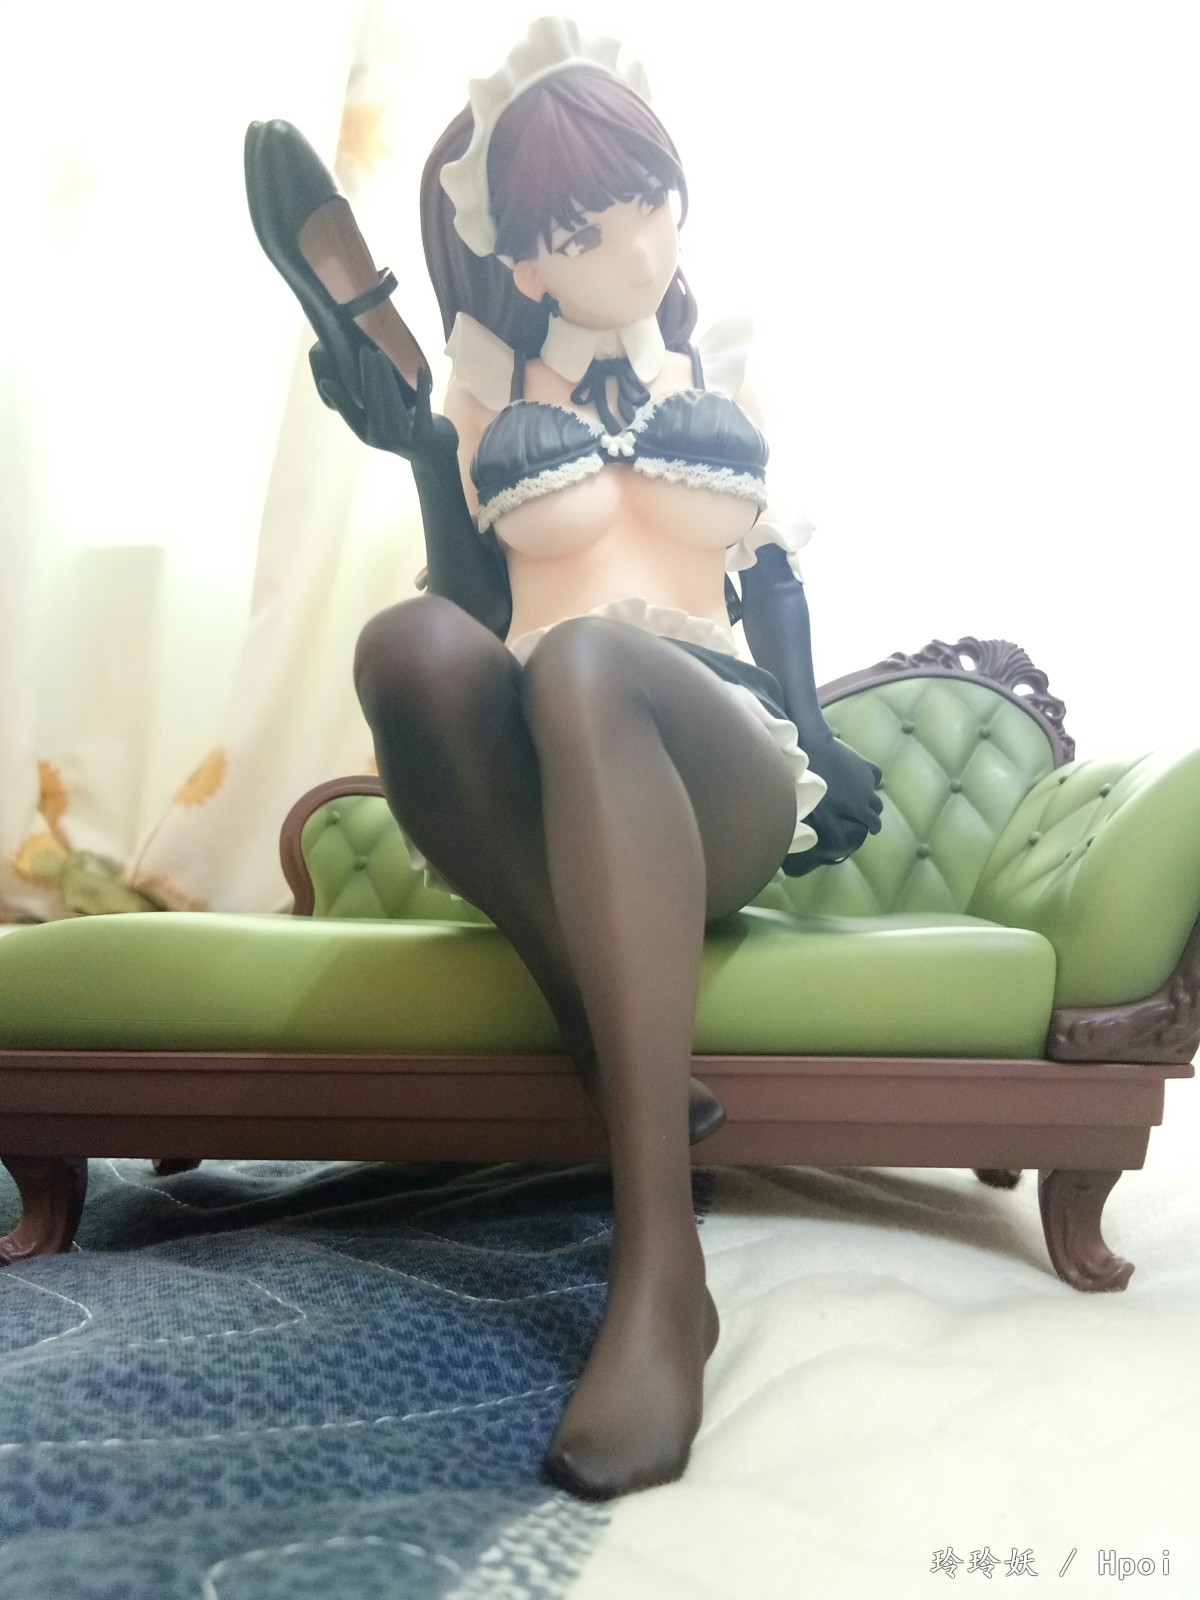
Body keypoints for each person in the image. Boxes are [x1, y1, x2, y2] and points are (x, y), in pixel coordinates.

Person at [245, 16, 882, 1500]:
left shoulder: (715, 367)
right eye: (588, 228)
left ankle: (661, 1272)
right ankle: (598, 1027)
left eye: (651, 199)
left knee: (595, 659)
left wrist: (822, 729)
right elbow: (475, 619)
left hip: (716, 761)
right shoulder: (482, 396)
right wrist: (426, 453)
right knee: (409, 645)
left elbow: (770, 575)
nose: (639, 244)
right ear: (525, 264)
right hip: (561, 776)